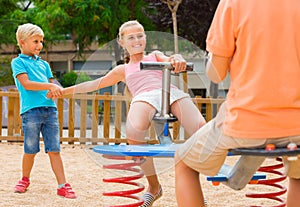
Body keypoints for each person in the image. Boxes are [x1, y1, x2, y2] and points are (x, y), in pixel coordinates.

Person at [49, 20, 206, 206]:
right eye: (131, 37)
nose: (137, 40)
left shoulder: (155, 56)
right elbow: (93, 85)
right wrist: (62, 91)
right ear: (122, 42)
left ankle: (208, 172)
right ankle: (154, 187)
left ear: (145, 38)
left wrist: (177, 58)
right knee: (134, 132)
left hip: (168, 92)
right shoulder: (123, 69)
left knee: (201, 128)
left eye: (140, 36)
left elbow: (170, 60)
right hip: (144, 96)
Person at [175, 0, 300, 206]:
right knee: (297, 175)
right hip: (296, 124)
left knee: (183, 162)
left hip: (245, 122)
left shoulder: (234, 3)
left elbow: (216, 74)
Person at [11, 23, 76, 199]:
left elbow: (52, 85)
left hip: (50, 110)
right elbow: (27, 84)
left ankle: (63, 185)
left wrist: (56, 89)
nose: (39, 45)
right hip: (31, 112)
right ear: (22, 42)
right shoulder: (17, 62)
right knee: (30, 149)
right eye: (35, 41)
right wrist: (49, 85)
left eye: (41, 41)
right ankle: (24, 179)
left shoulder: (45, 64)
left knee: (54, 149)